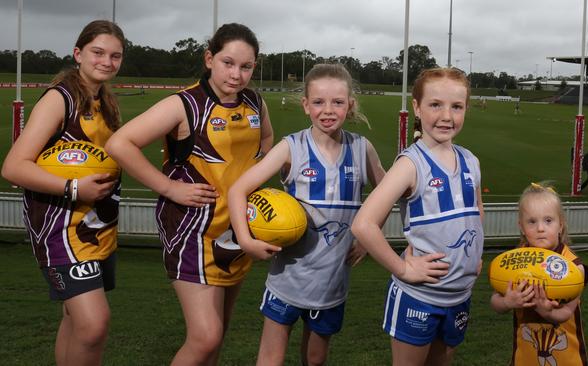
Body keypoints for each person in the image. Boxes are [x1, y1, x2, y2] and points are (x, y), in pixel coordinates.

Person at [105, 23, 273, 365]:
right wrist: (169, 188)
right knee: (205, 335)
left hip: (238, 227)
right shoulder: (184, 104)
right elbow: (119, 143)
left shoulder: (255, 102)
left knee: (216, 335)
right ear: (209, 58)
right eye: (228, 63)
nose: (237, 74)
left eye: (246, 66)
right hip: (192, 228)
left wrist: (256, 181)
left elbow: (266, 141)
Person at [228, 63, 385, 366]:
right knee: (271, 358)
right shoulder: (291, 148)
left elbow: (386, 193)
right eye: (318, 102)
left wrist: (368, 237)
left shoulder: (362, 149)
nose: (328, 110)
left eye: (338, 102)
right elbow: (238, 190)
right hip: (287, 280)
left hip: (332, 285)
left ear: (349, 105)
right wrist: (246, 241)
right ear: (305, 105)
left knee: (315, 359)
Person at [1, 20, 125, 365]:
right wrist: (73, 187)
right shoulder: (61, 98)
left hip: (96, 226)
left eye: (115, 56)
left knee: (75, 321)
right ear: (78, 54)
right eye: (97, 52)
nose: (106, 61)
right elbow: (13, 167)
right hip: (60, 227)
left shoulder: (105, 103)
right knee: (94, 324)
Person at [351, 67, 484, 366]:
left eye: (457, 106)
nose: (446, 116)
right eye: (435, 105)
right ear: (416, 107)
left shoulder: (470, 161)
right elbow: (363, 224)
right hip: (420, 298)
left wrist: (476, 253)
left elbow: (476, 209)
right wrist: (403, 269)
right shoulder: (411, 164)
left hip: (459, 295)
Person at [490, 182, 588, 365]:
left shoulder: (573, 266)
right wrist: (507, 302)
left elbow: (567, 312)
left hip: (566, 355)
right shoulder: (515, 262)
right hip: (525, 355)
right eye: (532, 221)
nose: (540, 228)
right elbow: (495, 302)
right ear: (521, 227)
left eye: (548, 220)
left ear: (561, 225)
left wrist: (546, 311)